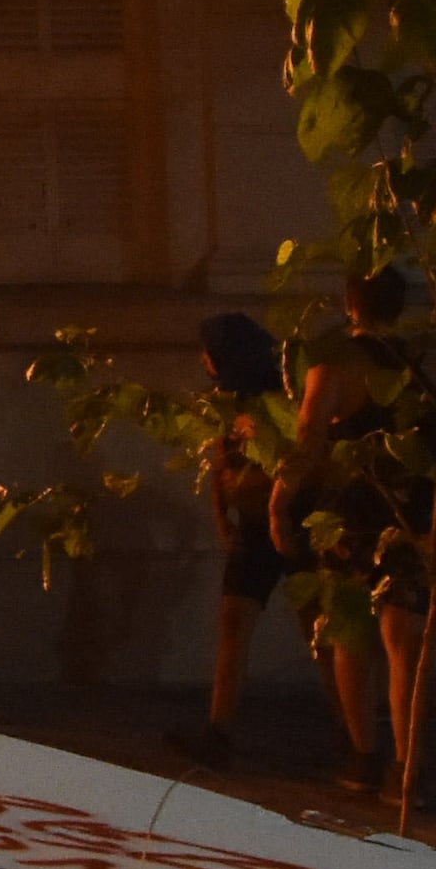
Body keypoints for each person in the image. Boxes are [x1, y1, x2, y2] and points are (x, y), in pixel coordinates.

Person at [278, 265, 436, 795]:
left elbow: (309, 442)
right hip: (411, 512)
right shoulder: (420, 362)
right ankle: (409, 763)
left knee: (352, 632)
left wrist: (280, 503)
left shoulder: (334, 366)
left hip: (352, 512)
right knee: (405, 638)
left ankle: (364, 755)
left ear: (350, 303)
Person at [166, 313, 295, 770]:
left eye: (209, 353)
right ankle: (219, 729)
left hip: (290, 520)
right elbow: (222, 464)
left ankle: (356, 738)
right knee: (233, 621)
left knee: (322, 629)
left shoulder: (278, 401)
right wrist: (224, 517)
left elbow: (290, 459)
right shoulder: (230, 401)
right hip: (254, 527)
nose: (202, 361)